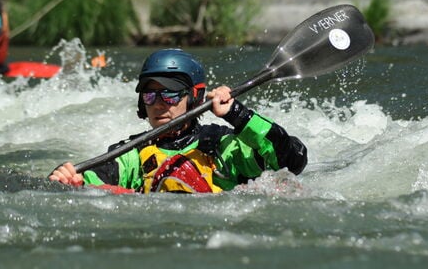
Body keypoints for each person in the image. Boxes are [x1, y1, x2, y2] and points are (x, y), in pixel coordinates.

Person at [48, 49, 308, 193]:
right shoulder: (131, 155)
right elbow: (90, 182)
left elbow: (292, 159)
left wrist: (237, 115)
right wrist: (70, 181)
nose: (158, 103)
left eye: (170, 94)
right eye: (150, 94)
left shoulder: (221, 145)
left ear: (195, 97)